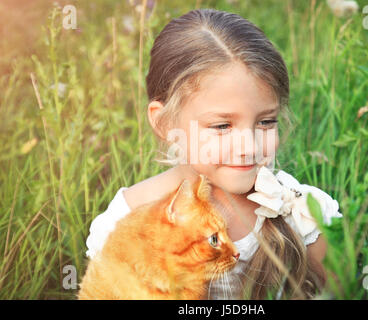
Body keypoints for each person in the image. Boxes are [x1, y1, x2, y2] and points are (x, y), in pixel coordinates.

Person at [85, 8, 342, 300]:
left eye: (266, 121)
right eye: (222, 125)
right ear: (164, 123)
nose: (249, 147)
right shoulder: (124, 225)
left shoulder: (305, 213)